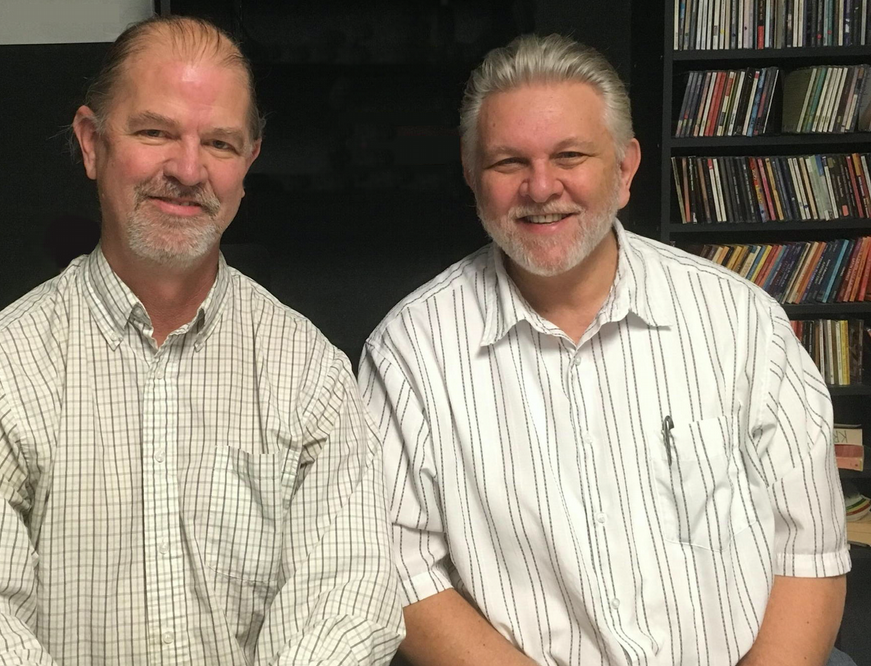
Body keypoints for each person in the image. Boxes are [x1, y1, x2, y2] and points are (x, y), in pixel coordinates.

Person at [0, 15, 403, 665]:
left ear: (248, 164)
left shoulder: (312, 374)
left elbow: (347, 601)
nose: (188, 168)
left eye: (219, 143)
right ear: (92, 142)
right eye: (155, 132)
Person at [359, 33, 852, 666]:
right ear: (471, 173)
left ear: (623, 168)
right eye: (509, 162)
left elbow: (807, 549)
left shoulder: (741, 321)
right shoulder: (409, 352)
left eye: (570, 155)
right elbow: (399, 569)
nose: (541, 188)